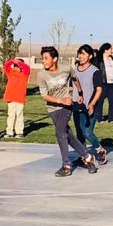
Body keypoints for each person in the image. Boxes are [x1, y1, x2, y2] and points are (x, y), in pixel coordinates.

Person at [37, 46, 98, 177]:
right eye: (43, 58)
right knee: (68, 135)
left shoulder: (66, 69)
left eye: (46, 58)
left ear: (54, 59)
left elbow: (75, 79)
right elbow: (45, 96)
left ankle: (66, 165)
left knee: (60, 132)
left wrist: (80, 93)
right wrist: (60, 101)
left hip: (67, 106)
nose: (43, 61)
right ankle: (87, 157)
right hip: (53, 108)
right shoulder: (41, 75)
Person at [72, 44, 107, 164]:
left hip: (90, 106)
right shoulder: (74, 70)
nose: (80, 56)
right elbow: (73, 87)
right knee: (79, 134)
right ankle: (84, 156)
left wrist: (92, 104)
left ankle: (99, 149)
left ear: (90, 56)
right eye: (79, 53)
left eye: (84, 54)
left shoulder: (94, 71)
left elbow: (99, 89)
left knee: (87, 132)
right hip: (77, 105)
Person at [3, 57, 30, 139]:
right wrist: (13, 61)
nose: (17, 67)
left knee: (19, 115)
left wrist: (19, 63)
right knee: (11, 115)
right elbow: (6, 65)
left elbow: (27, 67)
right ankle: (9, 132)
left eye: (18, 66)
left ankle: (19, 132)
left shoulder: (24, 74)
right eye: (15, 66)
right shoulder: (10, 73)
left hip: (20, 98)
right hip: (11, 98)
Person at [95, 43, 113, 123]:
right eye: (110, 49)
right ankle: (99, 118)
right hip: (103, 83)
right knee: (100, 101)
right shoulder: (100, 59)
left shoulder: (112, 59)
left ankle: (111, 118)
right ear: (105, 50)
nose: (111, 50)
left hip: (112, 84)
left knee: (112, 101)